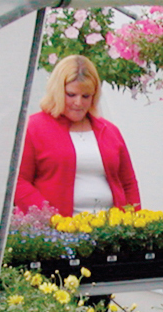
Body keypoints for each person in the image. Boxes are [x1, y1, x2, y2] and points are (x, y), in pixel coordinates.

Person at [15, 55, 140, 215]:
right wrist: (49, 218)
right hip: (58, 233)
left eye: (86, 96)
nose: (78, 103)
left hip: (109, 230)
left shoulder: (109, 131)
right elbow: (19, 182)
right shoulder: (34, 128)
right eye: (71, 95)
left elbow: (128, 184)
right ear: (57, 91)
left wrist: (133, 225)